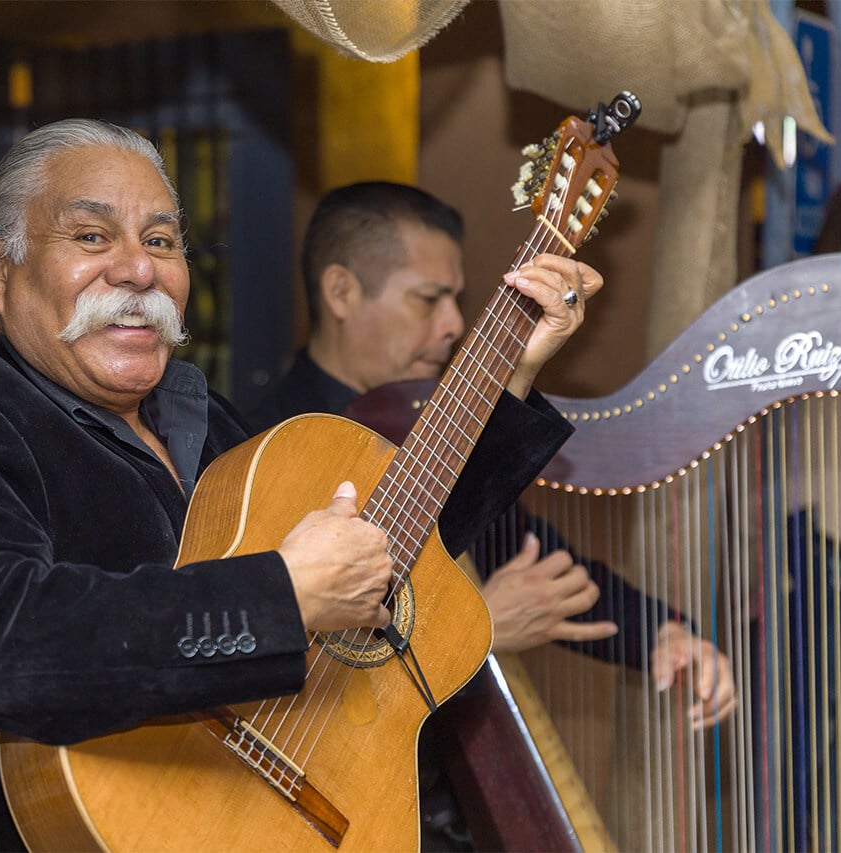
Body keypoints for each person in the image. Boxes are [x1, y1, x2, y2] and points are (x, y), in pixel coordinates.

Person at [0, 121, 602, 850]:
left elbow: (392, 553)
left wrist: (510, 379)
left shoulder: (203, 417)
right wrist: (282, 595)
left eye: (159, 239)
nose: (137, 269)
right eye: (92, 237)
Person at [245, 181, 737, 847]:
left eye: (456, 297)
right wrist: (478, 630)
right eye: (429, 298)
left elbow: (531, 553)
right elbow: (263, 649)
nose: (454, 323)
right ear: (341, 292)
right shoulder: (259, 446)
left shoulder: (430, 429)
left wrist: (663, 633)